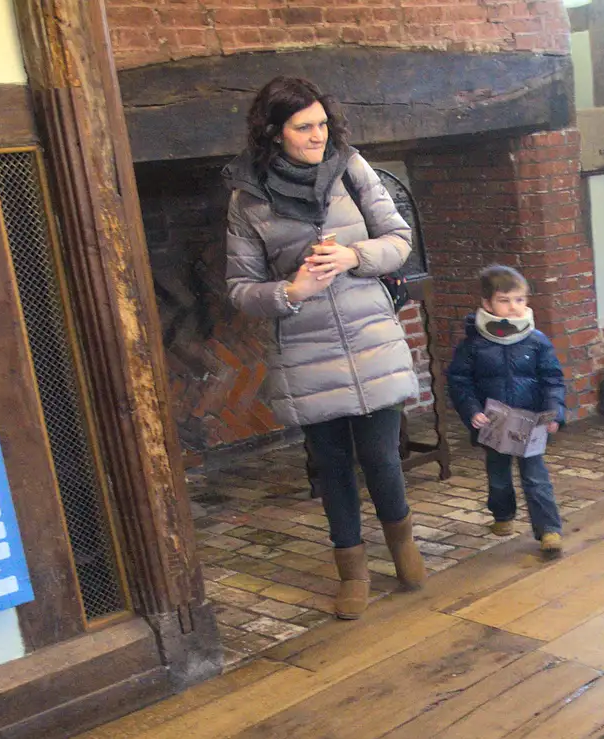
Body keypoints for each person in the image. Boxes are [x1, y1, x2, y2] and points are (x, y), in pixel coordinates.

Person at [223, 76, 426, 621]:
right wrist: (291, 291)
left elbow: (399, 241)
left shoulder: (351, 170)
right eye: (304, 127)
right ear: (275, 133)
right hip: (305, 348)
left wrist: (353, 257)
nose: (318, 136)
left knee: (382, 455)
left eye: (322, 124)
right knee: (331, 464)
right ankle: (352, 571)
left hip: (370, 336)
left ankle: (403, 544)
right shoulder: (248, 199)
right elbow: (240, 291)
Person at [445, 265, 567, 558]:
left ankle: (549, 530)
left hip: (531, 420)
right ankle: (502, 514)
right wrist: (472, 411)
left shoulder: (536, 340)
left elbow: (553, 378)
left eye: (520, 300)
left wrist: (554, 411)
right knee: (498, 476)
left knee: (536, 477)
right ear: (487, 304)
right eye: (504, 300)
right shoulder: (473, 345)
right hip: (493, 421)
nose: (514, 307)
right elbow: (460, 382)